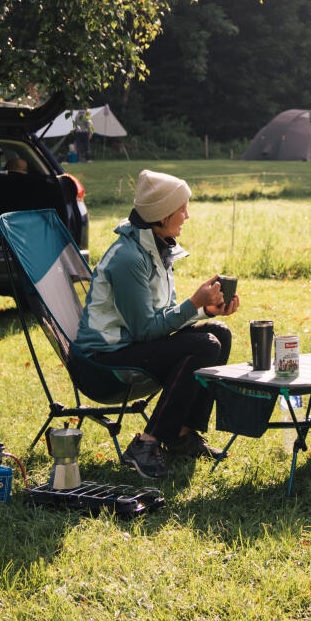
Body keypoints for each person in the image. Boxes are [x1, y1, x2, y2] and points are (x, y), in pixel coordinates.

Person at [73, 169, 238, 478]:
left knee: (219, 334)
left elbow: (162, 318)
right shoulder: (129, 258)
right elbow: (146, 330)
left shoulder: (158, 247)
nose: (187, 216)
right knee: (204, 345)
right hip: (101, 365)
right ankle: (147, 443)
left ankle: (181, 435)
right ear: (162, 215)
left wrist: (207, 312)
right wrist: (194, 303)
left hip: (132, 347)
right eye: (183, 208)